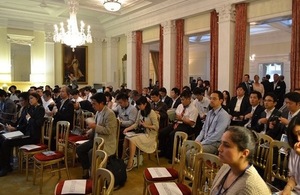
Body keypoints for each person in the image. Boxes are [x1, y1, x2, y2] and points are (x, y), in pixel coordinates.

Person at [210, 126, 271, 194]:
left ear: (244, 153)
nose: (219, 149)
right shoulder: (226, 167)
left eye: (226, 145)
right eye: (221, 143)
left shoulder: (249, 187)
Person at [0, 92, 45, 177]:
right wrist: (13, 127)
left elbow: (38, 123)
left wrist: (29, 119)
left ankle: (5, 167)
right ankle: (4, 165)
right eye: (30, 98)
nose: (30, 100)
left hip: (32, 136)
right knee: (2, 138)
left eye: (32, 98)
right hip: (25, 133)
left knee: (6, 142)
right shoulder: (29, 108)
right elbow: (23, 122)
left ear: (37, 99)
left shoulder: (40, 109)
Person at [76, 93, 117, 178]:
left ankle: (95, 174)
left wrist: (95, 126)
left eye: (94, 103)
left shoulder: (110, 113)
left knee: (92, 152)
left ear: (101, 103)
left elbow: (109, 130)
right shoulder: (98, 112)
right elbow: (96, 125)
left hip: (106, 142)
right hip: (97, 139)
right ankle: (87, 169)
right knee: (80, 149)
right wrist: (90, 130)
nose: (92, 105)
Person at [122, 96, 159, 171]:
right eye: (138, 105)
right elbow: (136, 124)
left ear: (145, 104)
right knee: (126, 137)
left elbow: (156, 127)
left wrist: (146, 125)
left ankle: (130, 161)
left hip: (150, 136)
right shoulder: (140, 111)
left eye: (140, 105)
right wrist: (127, 129)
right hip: (143, 133)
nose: (138, 107)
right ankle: (123, 158)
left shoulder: (152, 113)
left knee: (132, 140)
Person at [114, 93, 138, 158]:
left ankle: (119, 156)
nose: (119, 104)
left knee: (116, 135)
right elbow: (114, 111)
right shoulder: (119, 107)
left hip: (130, 128)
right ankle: (113, 154)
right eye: (118, 103)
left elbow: (131, 122)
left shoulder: (132, 109)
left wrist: (120, 122)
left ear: (126, 101)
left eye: (120, 102)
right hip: (121, 126)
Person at [282, 116, 300, 194]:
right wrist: (287, 188)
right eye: (295, 135)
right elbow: (294, 176)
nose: (298, 139)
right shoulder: (295, 149)